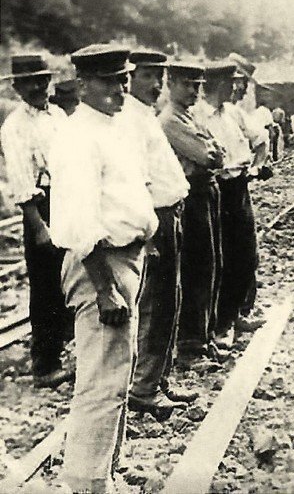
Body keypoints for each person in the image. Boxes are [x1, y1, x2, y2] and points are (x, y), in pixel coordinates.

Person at [49, 44, 158, 493]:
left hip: (123, 257)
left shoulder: (110, 127)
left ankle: (103, 470)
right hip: (101, 265)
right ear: (82, 85)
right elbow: (79, 219)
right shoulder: (78, 136)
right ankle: (86, 483)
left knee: (118, 371)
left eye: (124, 77)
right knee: (100, 379)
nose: (122, 87)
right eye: (109, 80)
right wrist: (105, 288)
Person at [122, 49, 195, 419]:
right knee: (155, 304)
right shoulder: (128, 119)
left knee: (171, 300)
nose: (156, 85)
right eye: (148, 77)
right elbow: (137, 181)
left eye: (159, 78)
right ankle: (144, 387)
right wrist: (149, 234)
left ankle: (159, 378)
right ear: (129, 77)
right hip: (154, 219)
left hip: (170, 214)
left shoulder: (144, 116)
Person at [0, 54, 74, 388]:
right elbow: (20, 180)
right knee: (46, 287)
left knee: (70, 278)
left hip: (67, 200)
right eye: (28, 82)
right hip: (41, 206)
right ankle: (45, 365)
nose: (36, 87)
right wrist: (38, 226)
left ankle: (64, 347)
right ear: (16, 87)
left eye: (41, 80)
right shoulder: (15, 126)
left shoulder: (57, 115)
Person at [160, 62, 225, 364]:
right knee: (196, 269)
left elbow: (218, 153)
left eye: (197, 86)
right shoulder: (170, 120)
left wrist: (213, 152)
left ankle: (205, 337)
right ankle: (190, 347)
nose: (193, 91)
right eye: (186, 84)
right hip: (191, 194)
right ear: (170, 83)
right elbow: (208, 155)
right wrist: (211, 151)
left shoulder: (191, 116)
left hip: (205, 191)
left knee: (212, 265)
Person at [198, 62, 262, 350]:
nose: (235, 87)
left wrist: (259, 166)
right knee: (220, 260)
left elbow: (261, 139)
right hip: (215, 190)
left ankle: (236, 315)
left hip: (239, 187)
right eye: (230, 82)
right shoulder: (197, 116)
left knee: (246, 256)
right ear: (213, 84)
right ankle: (220, 324)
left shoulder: (235, 113)